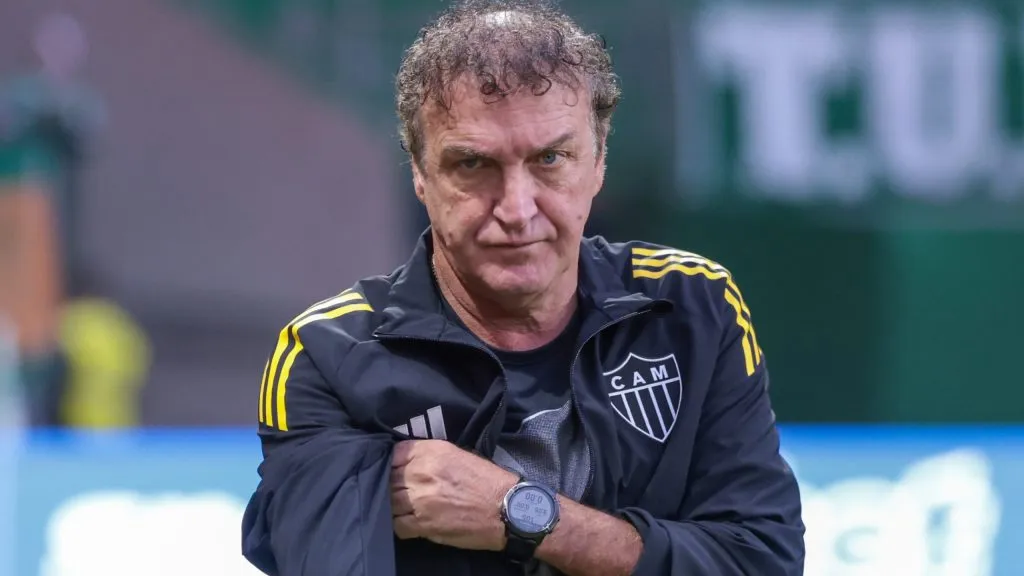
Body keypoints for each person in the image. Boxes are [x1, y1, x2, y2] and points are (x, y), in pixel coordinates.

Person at [241, 1, 805, 574]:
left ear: (598, 163)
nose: (517, 209)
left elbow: (762, 562)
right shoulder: (328, 357)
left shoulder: (691, 305)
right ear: (418, 172)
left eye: (551, 159)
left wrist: (518, 512)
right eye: (473, 165)